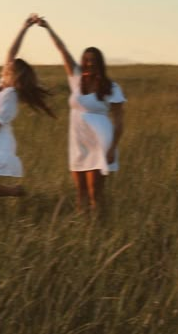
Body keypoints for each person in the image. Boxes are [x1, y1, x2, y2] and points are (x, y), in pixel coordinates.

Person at [0, 14, 54, 221]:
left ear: (14, 75)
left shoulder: (9, 96)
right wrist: (24, 27)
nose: (5, 67)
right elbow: (10, 52)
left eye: (8, 68)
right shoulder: (1, 87)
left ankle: (14, 191)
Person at [37, 17, 126, 214]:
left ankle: (100, 228)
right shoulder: (76, 80)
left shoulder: (111, 87)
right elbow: (62, 50)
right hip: (78, 141)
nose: (89, 64)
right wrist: (48, 28)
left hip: (100, 142)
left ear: (99, 63)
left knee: (96, 193)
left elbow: (119, 122)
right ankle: (84, 231)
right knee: (81, 192)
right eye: (86, 60)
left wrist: (112, 148)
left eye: (93, 61)